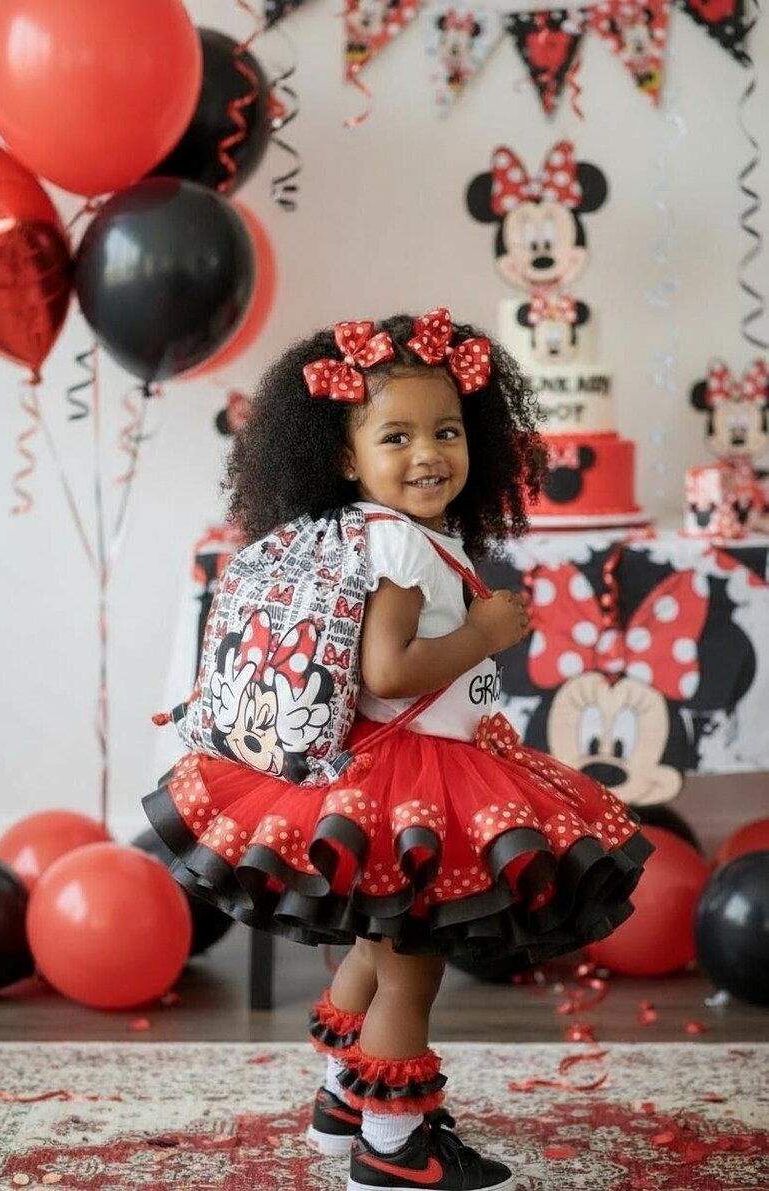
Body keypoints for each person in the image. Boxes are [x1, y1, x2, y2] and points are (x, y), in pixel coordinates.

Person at [143, 309, 653, 1191]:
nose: (431, 452)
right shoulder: (395, 543)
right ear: (346, 457)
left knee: (379, 948)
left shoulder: (378, 532)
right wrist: (488, 632)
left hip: (380, 775)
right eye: (398, 434)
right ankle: (392, 1146)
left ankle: (342, 1099)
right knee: (412, 970)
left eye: (447, 430)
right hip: (413, 779)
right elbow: (391, 669)